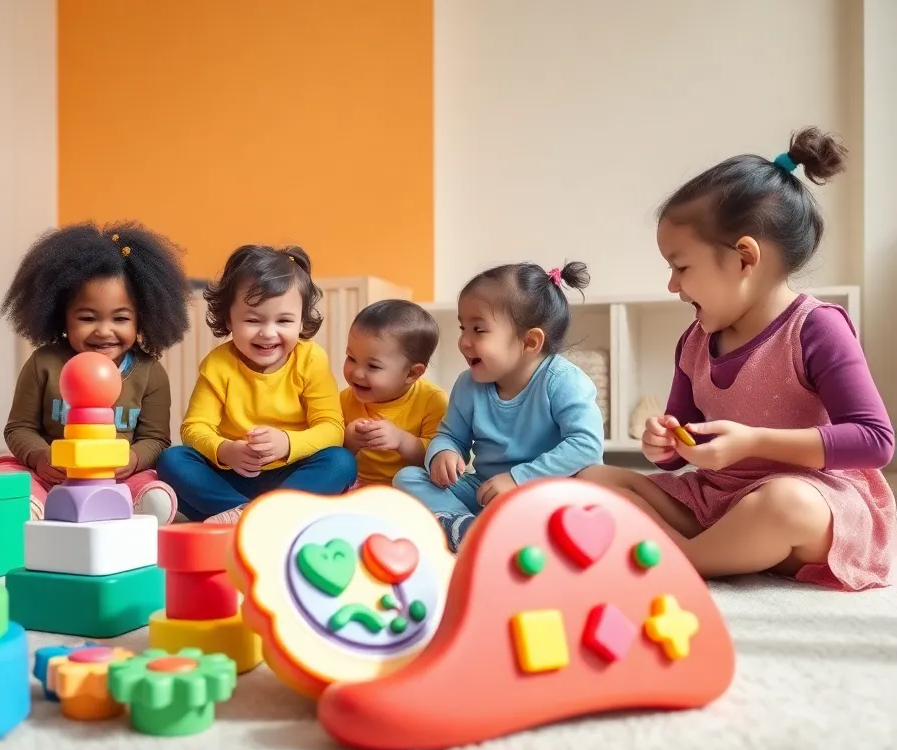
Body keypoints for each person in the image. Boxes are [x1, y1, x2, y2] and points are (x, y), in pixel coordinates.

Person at [580, 127, 895, 591]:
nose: (672, 285)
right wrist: (661, 445)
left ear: (745, 258)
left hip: (811, 502)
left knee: (782, 504)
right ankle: (700, 550)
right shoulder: (693, 343)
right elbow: (678, 450)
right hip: (719, 501)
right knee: (593, 476)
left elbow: (874, 441)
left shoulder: (815, 328)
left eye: (681, 266)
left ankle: (681, 557)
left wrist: (752, 443)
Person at [394, 262, 604, 551]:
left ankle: (496, 532)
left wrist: (520, 479)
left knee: (582, 509)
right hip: (486, 488)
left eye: (478, 329)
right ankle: (469, 529)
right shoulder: (468, 385)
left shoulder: (563, 381)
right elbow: (450, 435)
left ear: (529, 341)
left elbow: (586, 445)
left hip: (549, 491)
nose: (463, 341)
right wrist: (443, 452)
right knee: (407, 478)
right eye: (462, 327)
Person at [0, 221, 191, 525]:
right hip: (51, 475)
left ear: (142, 319)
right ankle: (33, 506)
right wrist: (40, 457)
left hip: (115, 479)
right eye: (87, 317)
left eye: (120, 318)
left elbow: (156, 439)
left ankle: (138, 505)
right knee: (4, 471)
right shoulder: (44, 363)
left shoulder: (149, 371)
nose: (104, 331)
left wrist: (133, 459)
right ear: (61, 316)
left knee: (153, 481)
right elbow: (18, 428)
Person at [157, 245, 356, 523]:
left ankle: (248, 516)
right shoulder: (218, 364)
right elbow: (194, 427)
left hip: (293, 474)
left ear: (301, 322)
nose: (268, 333)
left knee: (341, 462)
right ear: (229, 319)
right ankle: (259, 515)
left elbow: (332, 429)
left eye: (284, 320)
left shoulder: (311, 359)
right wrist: (226, 451)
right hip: (232, 477)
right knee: (172, 460)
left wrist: (287, 444)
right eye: (252, 320)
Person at [341, 299, 448, 487]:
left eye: (373, 366)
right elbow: (332, 452)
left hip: (410, 485)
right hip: (358, 483)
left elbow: (437, 457)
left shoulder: (432, 400)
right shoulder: (344, 399)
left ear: (411, 373)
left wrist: (400, 440)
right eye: (351, 358)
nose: (356, 373)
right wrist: (349, 440)